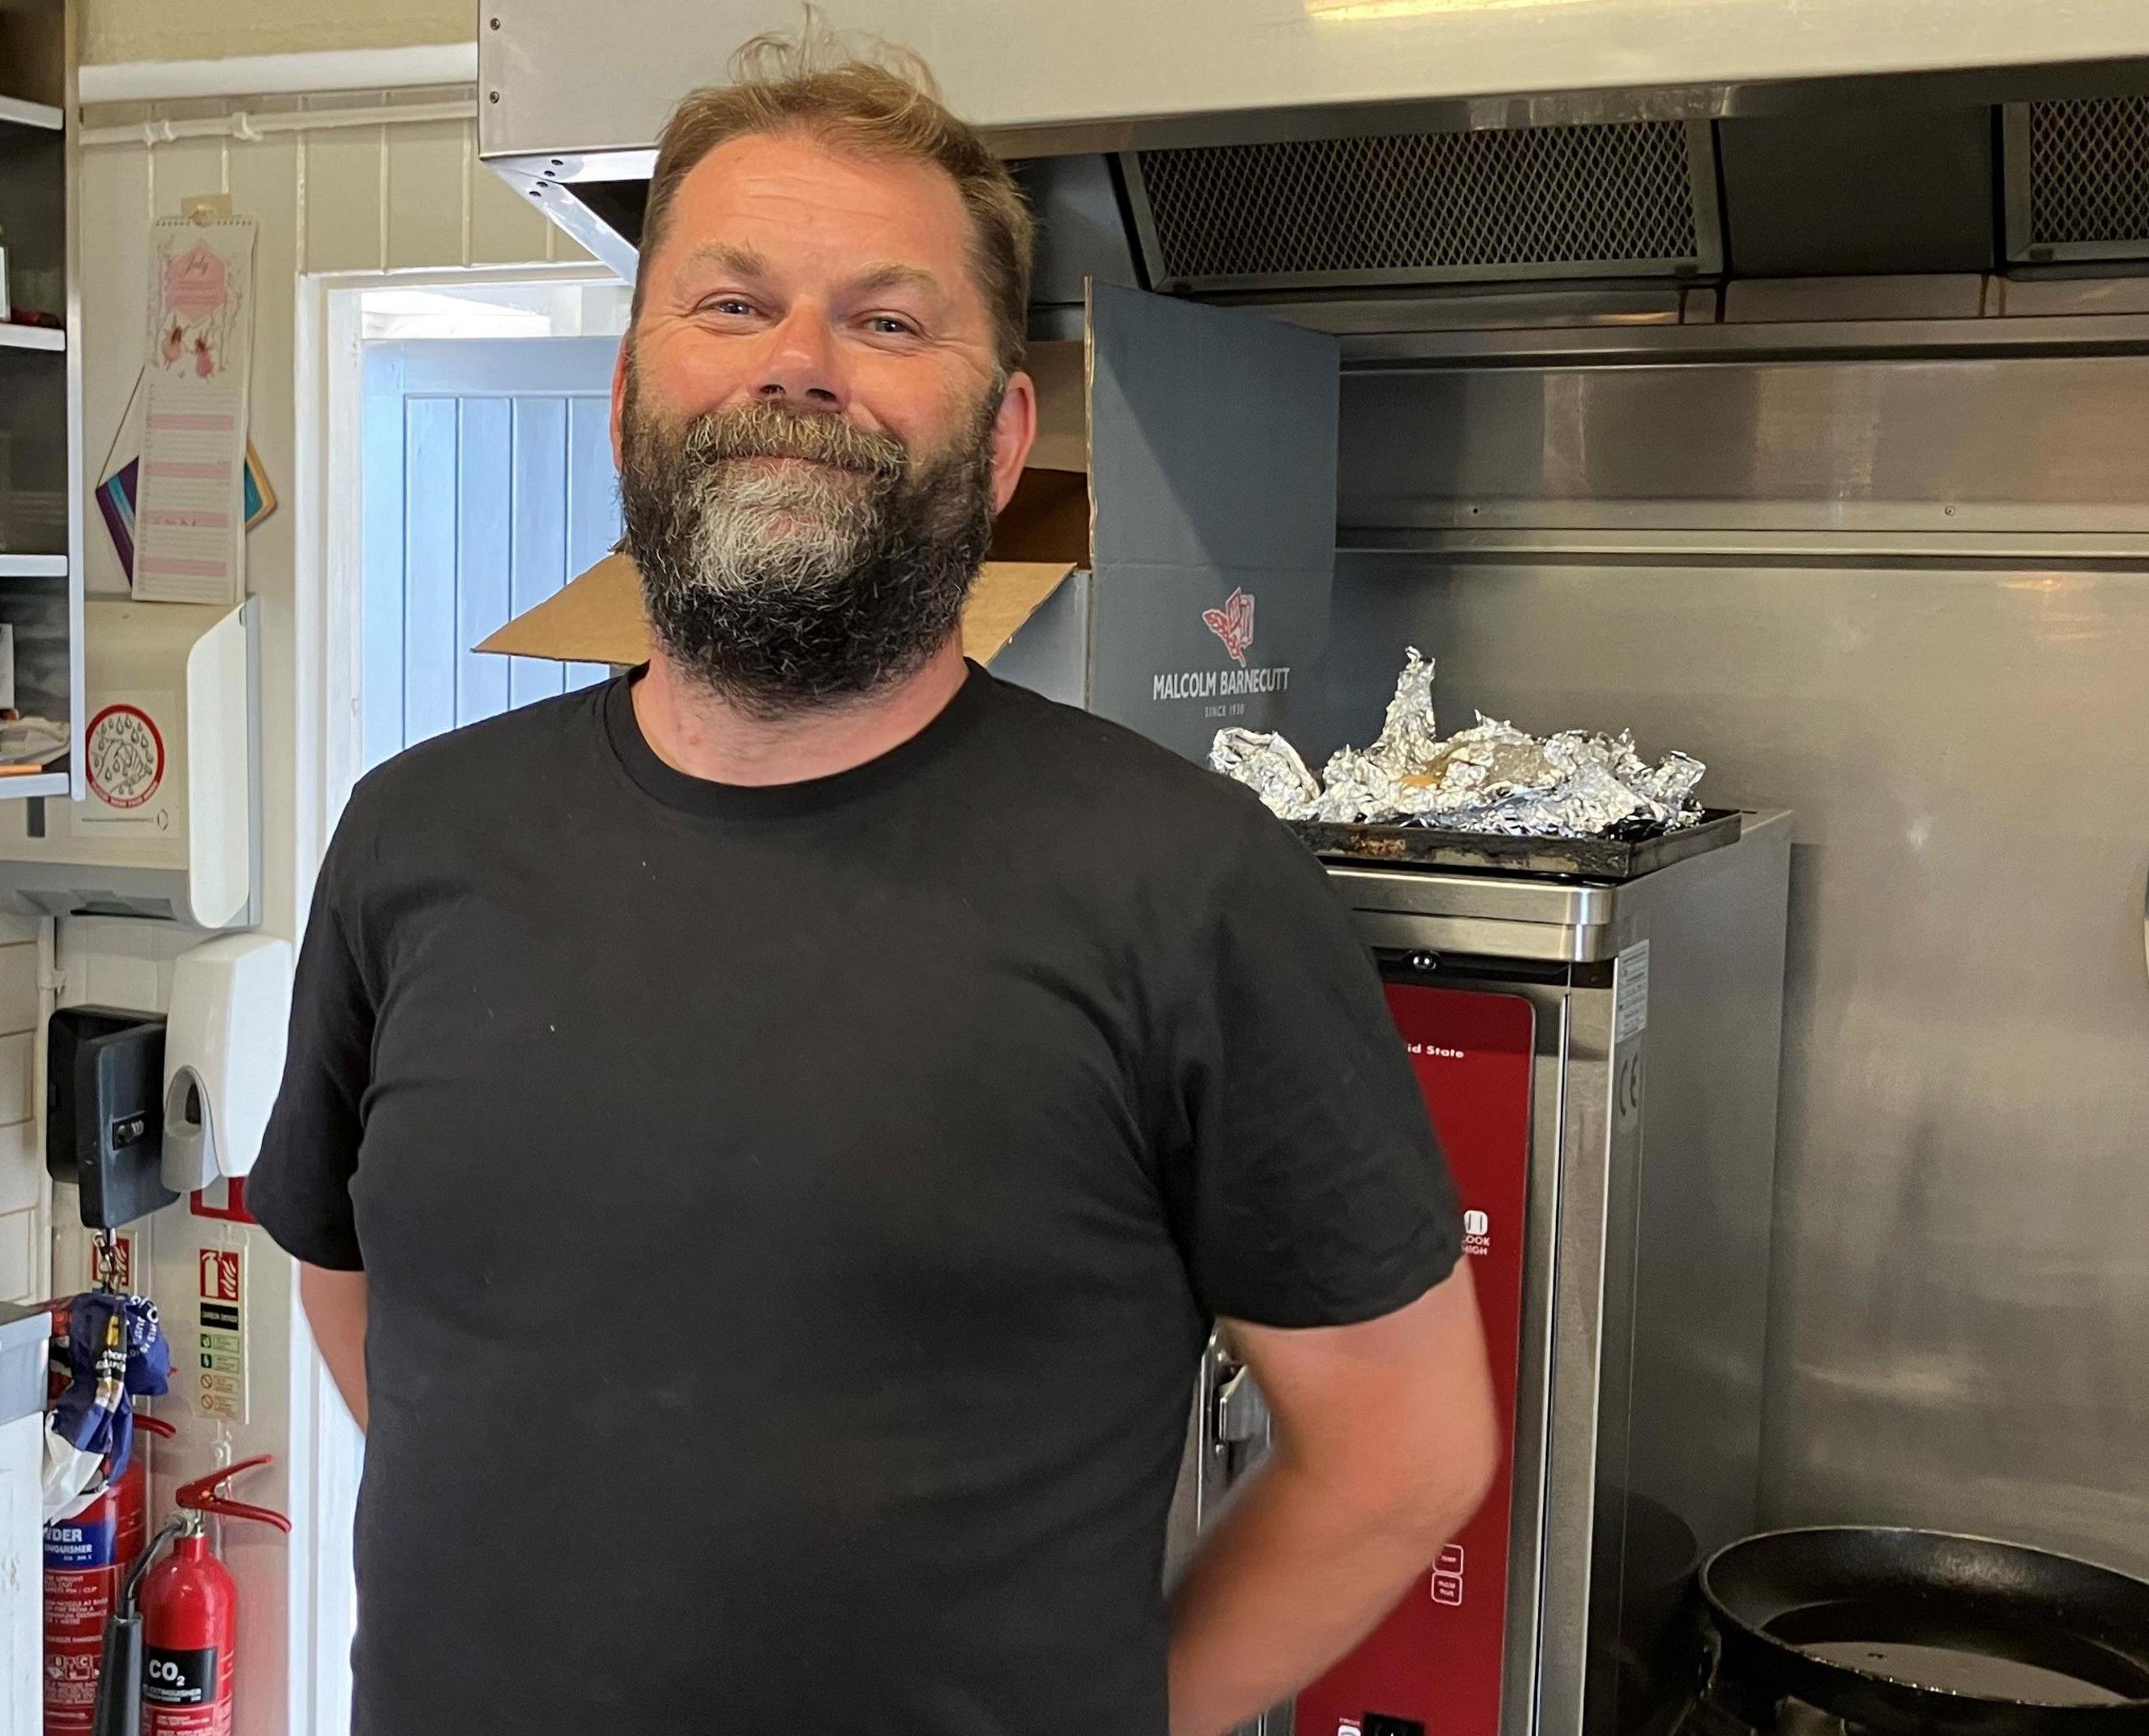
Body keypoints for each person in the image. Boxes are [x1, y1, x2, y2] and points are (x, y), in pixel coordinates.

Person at [248, 29, 1500, 1736]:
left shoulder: (1188, 889)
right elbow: (360, 1292)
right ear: (626, 400)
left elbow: (1401, 1457)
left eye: (889, 319)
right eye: (732, 302)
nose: (801, 365)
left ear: (1000, 444)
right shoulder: (415, 837)